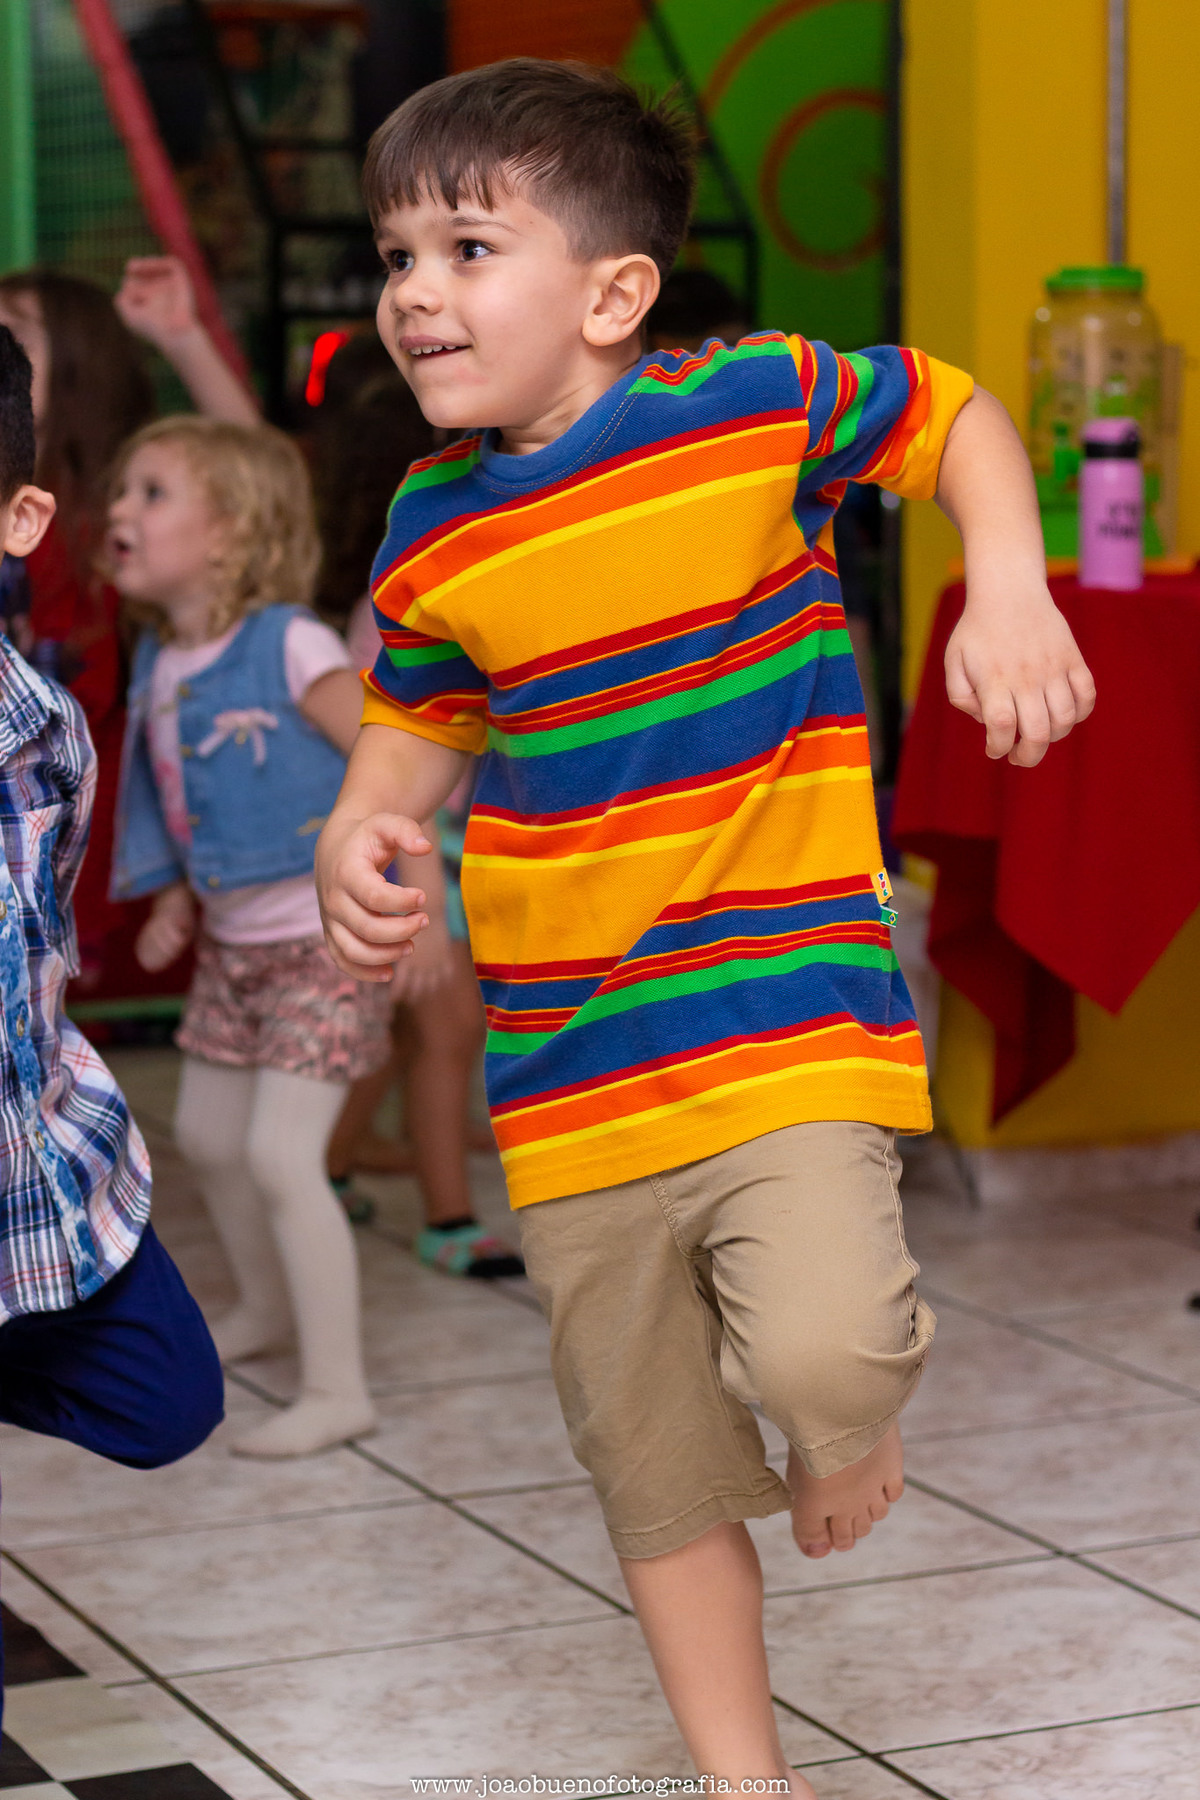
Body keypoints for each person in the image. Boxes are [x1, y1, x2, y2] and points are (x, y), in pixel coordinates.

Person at [314, 60, 1096, 1789]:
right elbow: (410, 737)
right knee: (650, 1462)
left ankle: (843, 1420)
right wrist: (360, 836)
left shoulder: (749, 404)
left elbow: (953, 412)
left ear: (612, 294)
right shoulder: (433, 528)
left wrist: (1012, 584)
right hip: (572, 1072)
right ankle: (747, 1775)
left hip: (783, 1020)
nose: (414, 293)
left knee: (828, 1342)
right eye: (395, 257)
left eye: (463, 244)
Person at [0, 324, 223, 1710]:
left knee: (168, 1398)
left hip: (27, 1163)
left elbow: (44, 947)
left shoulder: (47, 726)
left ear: (20, 520)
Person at [107, 415, 395, 1459]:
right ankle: (268, 1313)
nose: (118, 513)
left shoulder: (291, 640)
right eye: (122, 493)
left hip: (325, 940)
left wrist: (421, 887)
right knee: (209, 1140)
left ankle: (338, 1386)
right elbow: (186, 796)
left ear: (228, 533)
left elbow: (384, 755)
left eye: (150, 493)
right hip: (234, 944)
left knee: (281, 1156)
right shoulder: (162, 659)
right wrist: (178, 894)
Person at [314, 337, 522, 1276]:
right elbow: (407, 752)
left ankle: (328, 1165)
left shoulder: (382, 592)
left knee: (402, 1040)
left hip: (430, 840)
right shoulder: (408, 604)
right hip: (418, 845)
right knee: (444, 1034)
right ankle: (446, 1218)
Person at [0, 259, 257, 992]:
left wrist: (182, 339)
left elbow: (250, 479)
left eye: (12, 335)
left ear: (80, 373)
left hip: (83, 823)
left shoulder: (107, 515)